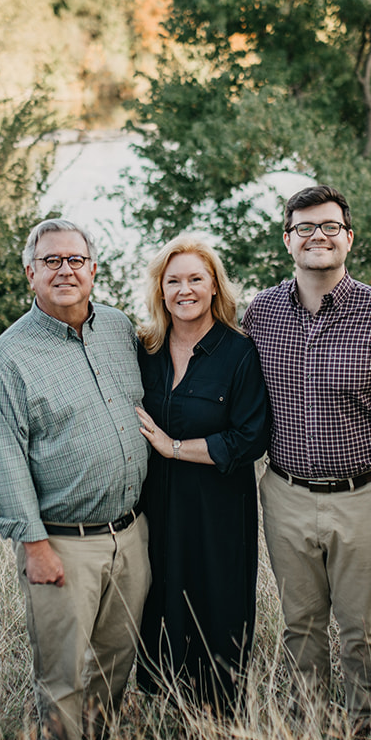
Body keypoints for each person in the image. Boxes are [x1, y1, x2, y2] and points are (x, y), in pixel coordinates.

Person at [243, 185, 371, 728]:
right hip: (285, 492)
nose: (316, 236)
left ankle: (363, 726)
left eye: (329, 227)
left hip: (366, 496)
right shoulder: (262, 313)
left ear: (348, 237)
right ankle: (308, 724)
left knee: (363, 626)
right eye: (304, 228)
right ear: (287, 241)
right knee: (299, 622)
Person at [0, 218, 150, 740]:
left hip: (131, 532)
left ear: (94, 269)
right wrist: (35, 547)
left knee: (116, 661)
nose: (65, 270)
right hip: (60, 543)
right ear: (30, 274)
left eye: (75, 260)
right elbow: (4, 462)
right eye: (51, 261)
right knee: (62, 673)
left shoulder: (120, 329)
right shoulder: (9, 359)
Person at [133, 236, 271, 714]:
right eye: (174, 280)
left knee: (217, 607)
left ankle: (220, 718)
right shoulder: (144, 348)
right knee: (159, 600)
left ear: (215, 287)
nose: (184, 290)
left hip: (217, 510)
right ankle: (166, 712)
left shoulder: (238, 353)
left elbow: (251, 437)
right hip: (153, 507)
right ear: (160, 289)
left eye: (196, 279)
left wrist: (174, 448)